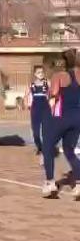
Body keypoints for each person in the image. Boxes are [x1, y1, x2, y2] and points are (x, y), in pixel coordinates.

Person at [41, 49, 80, 199]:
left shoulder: (59, 75)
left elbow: (54, 95)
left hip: (62, 117)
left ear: (62, 62)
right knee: (69, 151)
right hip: (77, 118)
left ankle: (50, 183)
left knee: (47, 147)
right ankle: (78, 185)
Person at [24, 65, 51, 159]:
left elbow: (53, 93)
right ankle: (39, 147)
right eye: (39, 72)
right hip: (35, 109)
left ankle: (46, 149)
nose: (41, 74)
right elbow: (26, 95)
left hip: (45, 108)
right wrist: (27, 104)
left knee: (46, 131)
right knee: (35, 131)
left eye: (42, 72)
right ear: (35, 74)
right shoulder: (31, 84)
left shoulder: (47, 82)